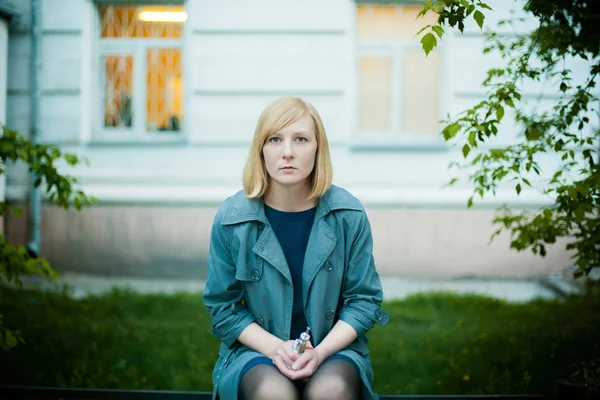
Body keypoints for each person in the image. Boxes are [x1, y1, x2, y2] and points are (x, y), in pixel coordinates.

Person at [202, 96, 389, 400]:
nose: (287, 152)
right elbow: (223, 310)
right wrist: (277, 349)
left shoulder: (348, 215)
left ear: (318, 148)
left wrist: (320, 352)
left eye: (300, 139)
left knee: (331, 391)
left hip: (334, 350)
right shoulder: (232, 219)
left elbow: (364, 301)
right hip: (255, 352)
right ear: (261, 149)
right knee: (272, 393)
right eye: (275, 139)